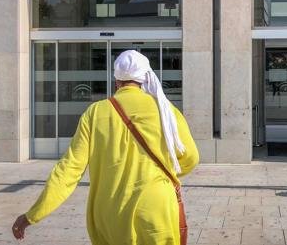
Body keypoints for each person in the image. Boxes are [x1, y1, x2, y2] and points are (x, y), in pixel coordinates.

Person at [12, 50, 199, 245]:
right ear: (145, 78)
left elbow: (68, 170)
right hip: (157, 209)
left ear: (116, 81)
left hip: (110, 213)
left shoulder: (95, 113)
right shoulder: (166, 111)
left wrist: (32, 215)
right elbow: (191, 158)